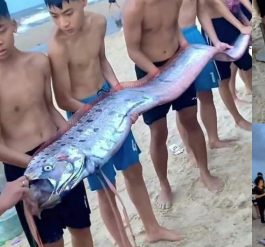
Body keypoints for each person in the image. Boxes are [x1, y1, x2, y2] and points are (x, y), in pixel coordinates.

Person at [45, 0, 181, 245]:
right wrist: (95, 110)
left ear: (83, 2)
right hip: (83, 117)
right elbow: (63, 98)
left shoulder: (98, 22)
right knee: (105, 189)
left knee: (133, 169)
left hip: (107, 98)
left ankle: (152, 228)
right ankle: (124, 243)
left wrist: (118, 93)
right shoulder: (57, 46)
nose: (63, 22)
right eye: (54, 16)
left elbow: (103, 62)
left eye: (68, 13)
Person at [0, 1, 94, 246]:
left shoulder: (39, 62)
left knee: (82, 227)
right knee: (51, 241)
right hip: (24, 169)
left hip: (58, 154)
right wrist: (38, 164)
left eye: (0, 30)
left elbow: (50, 109)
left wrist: (73, 137)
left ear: (13, 26)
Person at [123, 0, 224, 210]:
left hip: (177, 61)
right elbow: (133, 50)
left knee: (190, 119)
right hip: (150, 72)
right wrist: (155, 72)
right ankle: (164, 185)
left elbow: (173, 26)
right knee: (158, 131)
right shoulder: (134, 7)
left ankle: (204, 172)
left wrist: (184, 45)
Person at [178, 0, 237, 150]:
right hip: (174, 39)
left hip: (194, 34)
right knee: (184, 104)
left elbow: (202, 11)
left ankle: (213, 139)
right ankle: (189, 149)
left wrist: (215, 41)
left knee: (206, 94)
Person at [198, 0, 252, 131]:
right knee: (224, 78)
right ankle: (237, 119)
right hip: (214, 27)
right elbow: (214, 4)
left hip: (231, 21)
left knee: (248, 64)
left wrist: (245, 20)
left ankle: (248, 94)